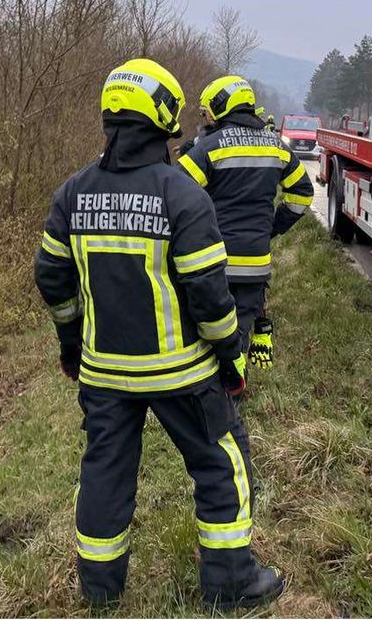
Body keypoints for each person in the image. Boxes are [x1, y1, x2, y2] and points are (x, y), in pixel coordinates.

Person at [34, 58, 284, 610]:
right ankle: (232, 583)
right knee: (222, 463)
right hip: (183, 373)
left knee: (104, 473)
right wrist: (228, 358)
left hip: (104, 374)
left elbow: (51, 277)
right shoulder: (182, 196)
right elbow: (210, 296)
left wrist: (71, 343)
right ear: (167, 116)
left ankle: (100, 594)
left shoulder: (72, 193)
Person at [178, 76, 314, 373]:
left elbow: (175, 193)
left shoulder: (210, 147)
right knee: (240, 328)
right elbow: (302, 195)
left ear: (219, 107)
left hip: (212, 261)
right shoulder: (277, 147)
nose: (206, 118)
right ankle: (235, 386)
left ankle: (217, 389)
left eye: (207, 112)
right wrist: (272, 227)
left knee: (208, 328)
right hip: (255, 263)